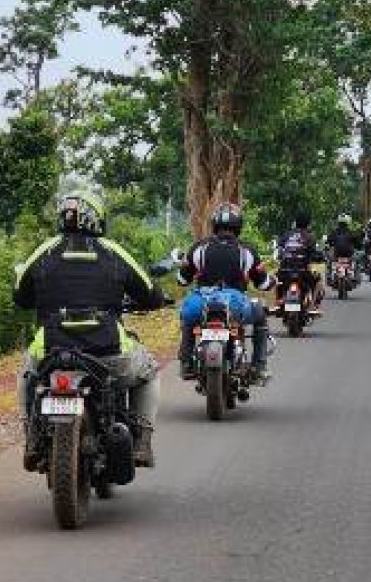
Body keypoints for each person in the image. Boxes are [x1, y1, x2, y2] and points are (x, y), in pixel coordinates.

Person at [14, 193, 165, 469]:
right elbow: (151, 295)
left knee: (26, 375)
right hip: (107, 353)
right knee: (150, 372)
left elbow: (20, 297)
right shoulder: (113, 252)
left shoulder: (44, 251)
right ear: (97, 219)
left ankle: (32, 436)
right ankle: (142, 440)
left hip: (51, 350)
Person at [176, 203, 275, 382]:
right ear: (238, 226)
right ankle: (259, 366)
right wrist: (271, 281)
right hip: (235, 304)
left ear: (214, 224)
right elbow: (263, 284)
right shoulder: (247, 251)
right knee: (260, 314)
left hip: (203, 303)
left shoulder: (199, 248)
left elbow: (182, 280)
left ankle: (185, 362)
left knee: (188, 318)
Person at [277, 211, 323, 307]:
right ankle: (314, 304)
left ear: (295, 222)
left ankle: (279, 300)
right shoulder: (310, 238)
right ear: (308, 224)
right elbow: (315, 254)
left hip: (285, 272)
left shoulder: (286, 235)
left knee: (277, 281)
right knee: (317, 279)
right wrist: (319, 258)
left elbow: (279, 249)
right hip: (303, 273)